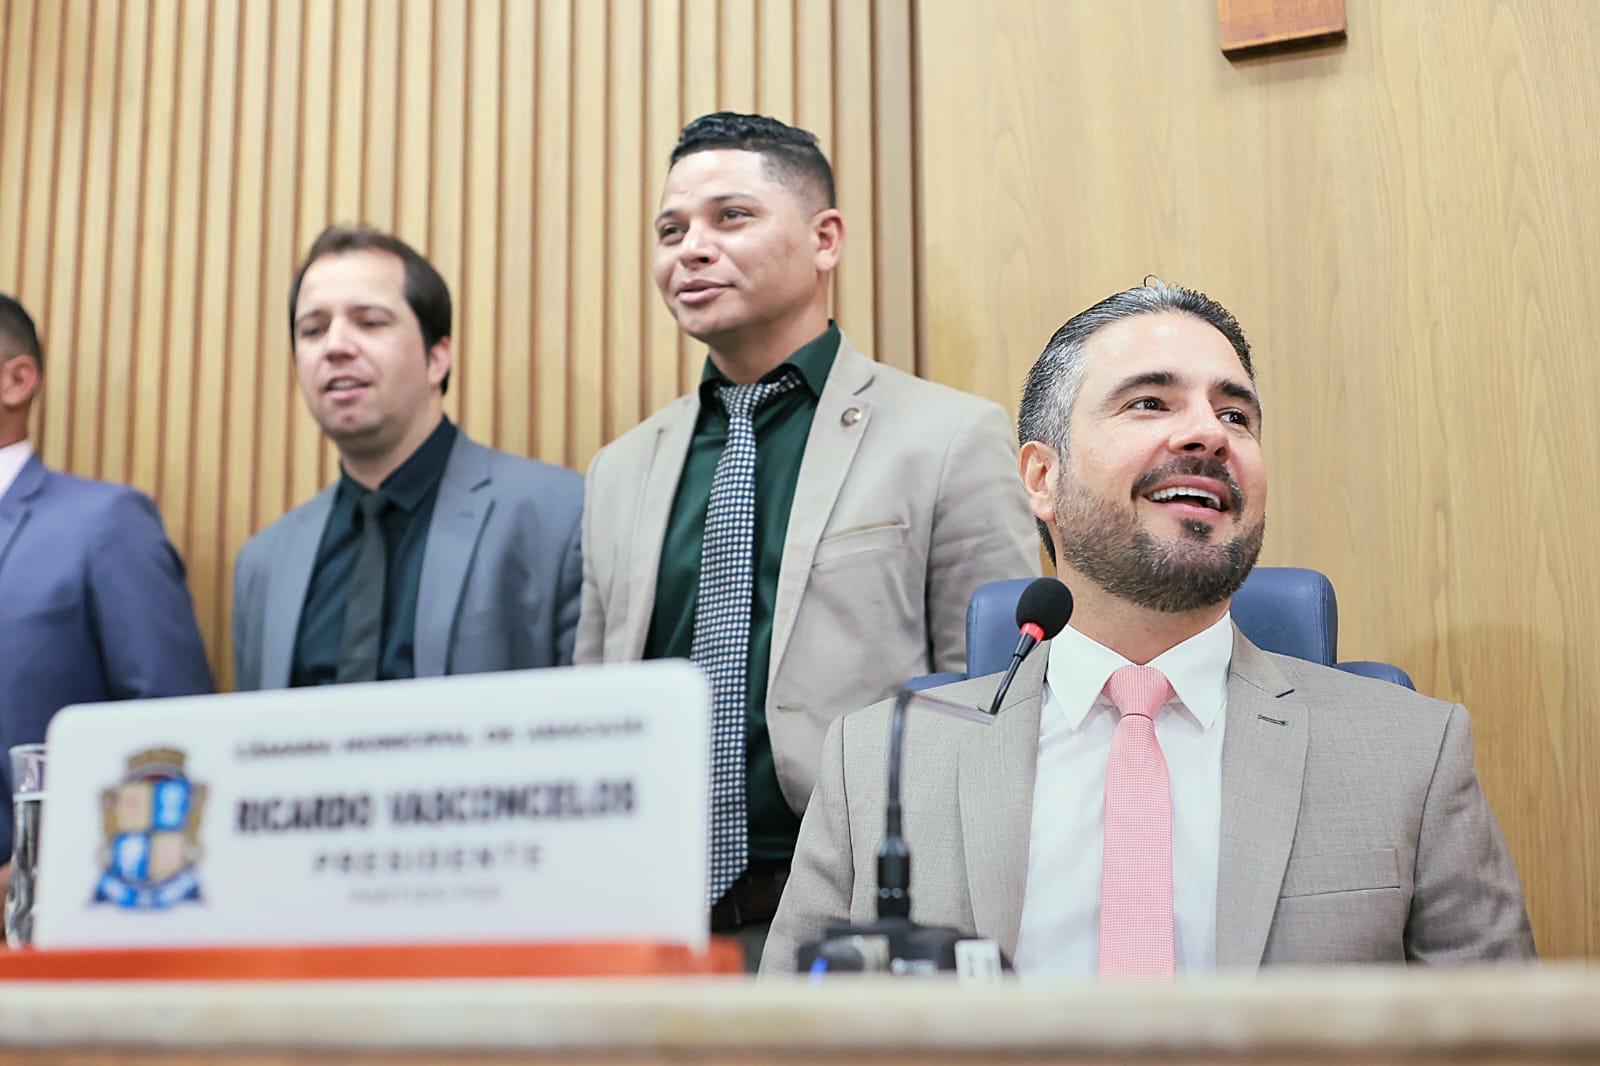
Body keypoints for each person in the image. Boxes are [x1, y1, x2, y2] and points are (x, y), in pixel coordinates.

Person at [763, 281, 1535, 975]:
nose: (1209, 434)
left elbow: (1503, 1043)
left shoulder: (1413, 755)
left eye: (1236, 415)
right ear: (1042, 477)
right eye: (1150, 403)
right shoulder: (879, 763)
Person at [575, 112, 1039, 962]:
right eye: (671, 231)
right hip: (647, 925)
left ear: (825, 239)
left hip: (850, 917)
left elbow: (997, 705)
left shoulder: (948, 437)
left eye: (731, 217)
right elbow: (592, 706)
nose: (692, 249)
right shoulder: (619, 469)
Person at [232, 225, 582, 690]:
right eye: (313, 330)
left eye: (370, 322)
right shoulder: (263, 565)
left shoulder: (560, 518)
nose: (335, 346)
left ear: (437, 359)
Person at [0, 292, 213, 879]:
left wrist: (34, 876)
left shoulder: (105, 524)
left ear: (16, 380)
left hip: (39, 910)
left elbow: (172, 737)